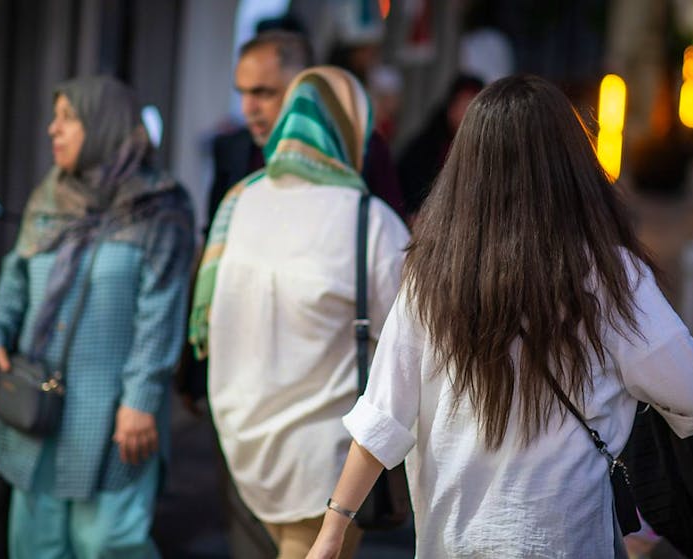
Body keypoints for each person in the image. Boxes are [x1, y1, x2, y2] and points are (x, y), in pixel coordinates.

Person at [306, 74, 693, 559]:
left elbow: (382, 417)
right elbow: (689, 394)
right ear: (571, 165)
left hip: (452, 543)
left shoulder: (430, 275)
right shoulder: (610, 275)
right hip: (562, 541)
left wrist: (331, 532)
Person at [188, 66, 410, 559]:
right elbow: (414, 341)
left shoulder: (238, 203)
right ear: (352, 129)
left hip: (241, 443)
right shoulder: (369, 221)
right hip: (325, 464)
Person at [0, 75, 194, 558]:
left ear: (104, 125)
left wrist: (140, 400)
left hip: (115, 413)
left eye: (67, 119)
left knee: (109, 543)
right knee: (37, 545)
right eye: (55, 118)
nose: (53, 130)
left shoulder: (160, 209)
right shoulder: (48, 198)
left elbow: (161, 315)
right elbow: (14, 282)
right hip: (38, 407)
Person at [206, 30, 405, 234]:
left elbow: (391, 235)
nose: (247, 108)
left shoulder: (363, 147)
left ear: (305, 90)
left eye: (263, 93)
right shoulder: (234, 150)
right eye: (242, 92)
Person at [397, 74, 484, 217]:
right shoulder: (426, 148)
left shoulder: (489, 151)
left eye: (472, 108)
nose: (466, 116)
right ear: (451, 108)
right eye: (462, 106)